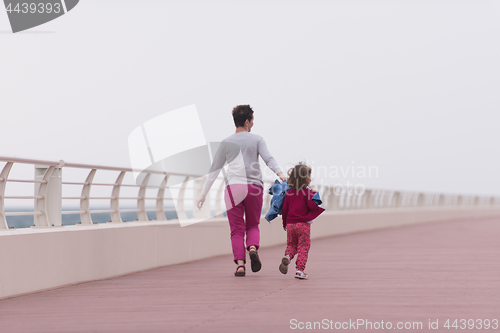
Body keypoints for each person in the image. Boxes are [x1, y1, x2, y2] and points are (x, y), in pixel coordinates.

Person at [196, 105, 286, 277]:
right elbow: (268, 158)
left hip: (233, 188)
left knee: (236, 229)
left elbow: (214, 169)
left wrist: (203, 194)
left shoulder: (226, 142)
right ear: (246, 122)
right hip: (253, 188)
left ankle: (240, 265)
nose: (253, 124)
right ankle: (252, 247)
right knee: (252, 224)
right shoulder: (257, 139)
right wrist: (280, 173)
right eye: (252, 120)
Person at [279, 162, 325, 280]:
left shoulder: (289, 193)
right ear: (305, 179)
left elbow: (284, 210)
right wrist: (314, 195)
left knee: (291, 245)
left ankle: (288, 257)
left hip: (290, 224)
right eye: (309, 177)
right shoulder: (307, 193)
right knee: (303, 246)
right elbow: (313, 207)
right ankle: (300, 270)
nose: (310, 179)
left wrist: (285, 223)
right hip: (303, 225)